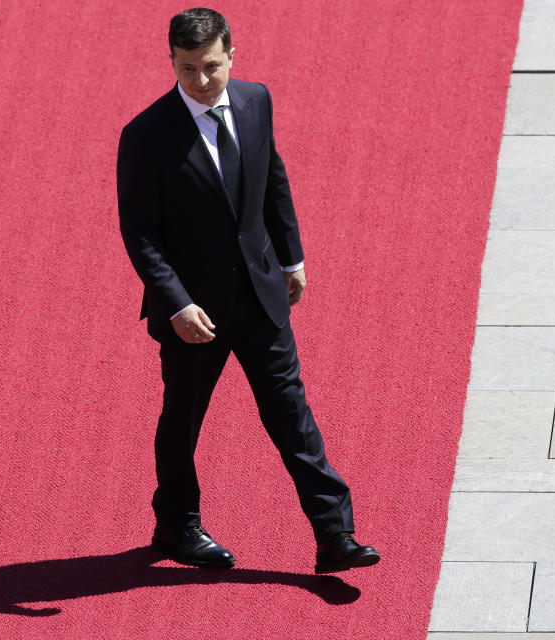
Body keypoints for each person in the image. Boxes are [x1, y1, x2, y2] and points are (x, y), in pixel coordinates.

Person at [117, 7, 379, 573]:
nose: (202, 80)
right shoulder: (144, 135)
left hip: (261, 297)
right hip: (194, 312)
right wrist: (177, 303)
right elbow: (139, 233)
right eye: (188, 68)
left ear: (232, 55)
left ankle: (335, 534)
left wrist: (292, 257)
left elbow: (272, 178)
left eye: (211, 66)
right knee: (182, 421)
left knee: (292, 415)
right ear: (172, 62)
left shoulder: (256, 101)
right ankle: (177, 525)